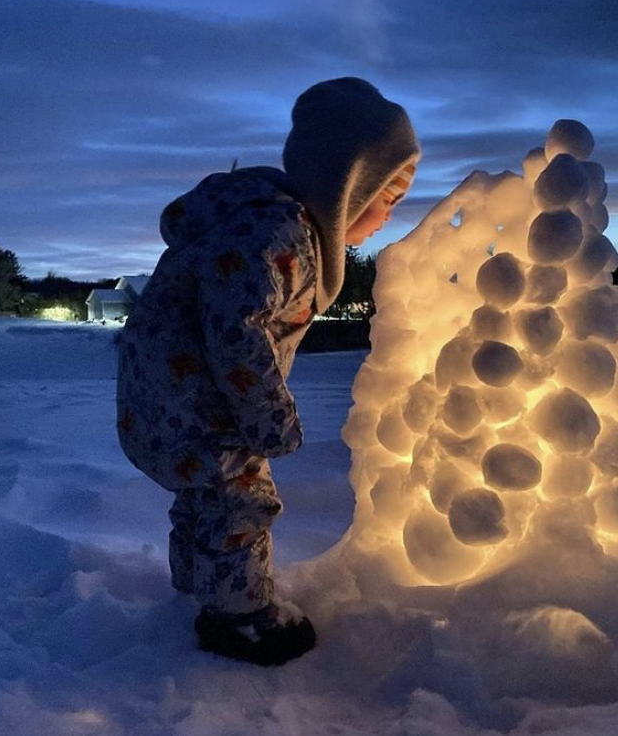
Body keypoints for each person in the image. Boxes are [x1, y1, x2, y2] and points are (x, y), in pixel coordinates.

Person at [116, 77, 419, 665]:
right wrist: (271, 418)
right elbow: (239, 332)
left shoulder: (261, 223)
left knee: (204, 495)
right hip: (195, 404)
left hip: (165, 399)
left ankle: (200, 591)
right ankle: (243, 619)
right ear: (348, 186)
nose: (388, 217)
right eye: (388, 198)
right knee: (241, 501)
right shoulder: (277, 233)